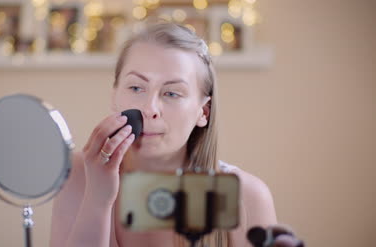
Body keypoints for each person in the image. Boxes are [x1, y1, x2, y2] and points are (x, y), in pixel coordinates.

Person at [50, 23, 303, 247]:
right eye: (136, 87)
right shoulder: (78, 175)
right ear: (114, 96)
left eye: (172, 93)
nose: (149, 109)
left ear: (203, 112)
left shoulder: (247, 196)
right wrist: (98, 198)